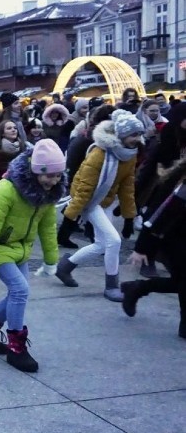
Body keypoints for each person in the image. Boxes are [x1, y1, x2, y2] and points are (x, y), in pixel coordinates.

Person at [0, 140, 66, 372]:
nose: (53, 181)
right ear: (35, 170)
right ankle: (16, 347)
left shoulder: (49, 192)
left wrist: (51, 259)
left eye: (58, 176)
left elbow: (48, 226)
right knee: (21, 290)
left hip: (19, 248)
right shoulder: (7, 189)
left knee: (17, 292)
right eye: (48, 176)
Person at [55, 110, 144, 301]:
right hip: (89, 200)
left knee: (102, 244)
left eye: (139, 134)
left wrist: (130, 216)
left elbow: (127, 186)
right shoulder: (99, 153)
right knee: (114, 241)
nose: (138, 139)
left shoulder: (129, 154)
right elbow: (84, 188)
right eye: (133, 134)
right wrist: (70, 218)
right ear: (121, 134)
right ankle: (111, 286)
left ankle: (65, 267)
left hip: (105, 200)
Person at [120, 157, 186, 339]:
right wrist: (142, 248)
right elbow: (158, 216)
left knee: (179, 282)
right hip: (173, 238)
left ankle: (137, 288)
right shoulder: (181, 186)